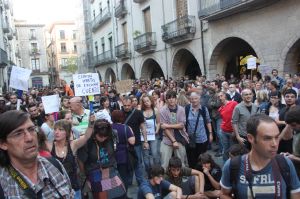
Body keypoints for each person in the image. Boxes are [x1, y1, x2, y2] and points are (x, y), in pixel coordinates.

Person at [220, 114, 300, 199]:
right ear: (251, 138)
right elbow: (224, 194)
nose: (275, 144)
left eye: (276, 137)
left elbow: (296, 195)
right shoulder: (233, 165)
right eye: (267, 138)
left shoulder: (285, 163)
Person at [0, 110, 74, 198]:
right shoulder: (3, 182)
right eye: (18, 134)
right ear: (3, 144)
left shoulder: (55, 165)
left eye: (31, 129)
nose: (29, 138)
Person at [77, 119, 126, 199]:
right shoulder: (87, 140)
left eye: (105, 136)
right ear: (94, 133)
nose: (103, 138)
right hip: (94, 171)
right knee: (101, 196)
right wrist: (84, 175)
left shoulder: (112, 135)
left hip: (111, 169)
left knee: (121, 193)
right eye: (100, 136)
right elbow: (81, 160)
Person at [49, 118, 94, 199]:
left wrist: (91, 123)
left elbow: (87, 136)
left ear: (67, 132)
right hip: (57, 191)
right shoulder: (49, 146)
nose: (56, 132)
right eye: (55, 129)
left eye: (60, 129)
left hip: (74, 188)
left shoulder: (73, 145)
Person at [122, 96, 148, 185]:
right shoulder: (119, 113)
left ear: (132, 104)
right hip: (123, 144)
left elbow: (143, 127)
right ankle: (128, 183)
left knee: (138, 163)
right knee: (126, 164)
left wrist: (145, 141)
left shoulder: (138, 113)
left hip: (136, 143)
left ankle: (140, 182)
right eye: (125, 105)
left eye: (128, 105)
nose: (126, 107)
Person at [160, 90, 189, 169]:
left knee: (181, 162)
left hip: (180, 137)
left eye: (173, 98)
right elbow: (164, 128)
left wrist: (168, 125)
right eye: (169, 98)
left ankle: (183, 177)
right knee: (164, 163)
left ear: (176, 99)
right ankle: (164, 179)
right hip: (167, 138)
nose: (171, 100)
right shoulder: (162, 110)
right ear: (166, 100)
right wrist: (173, 141)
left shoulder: (181, 109)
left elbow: (182, 125)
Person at [185, 91, 213, 169]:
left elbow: (208, 121)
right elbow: (183, 122)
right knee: (191, 157)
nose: (194, 100)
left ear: (199, 99)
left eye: (196, 98)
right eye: (192, 99)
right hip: (190, 139)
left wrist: (210, 133)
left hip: (202, 138)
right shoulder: (187, 108)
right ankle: (193, 172)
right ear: (190, 99)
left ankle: (201, 172)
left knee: (201, 157)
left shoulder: (204, 109)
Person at [141, 94, 161, 173]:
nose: (146, 103)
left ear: (151, 101)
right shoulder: (141, 111)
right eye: (144, 101)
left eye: (148, 101)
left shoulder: (155, 110)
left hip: (153, 135)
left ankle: (157, 171)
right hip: (144, 136)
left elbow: (159, 122)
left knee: (155, 154)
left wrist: (157, 130)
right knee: (145, 155)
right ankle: (149, 172)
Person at [218, 91, 238, 161]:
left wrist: (235, 131)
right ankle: (226, 165)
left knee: (232, 150)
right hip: (223, 131)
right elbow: (224, 119)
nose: (220, 98)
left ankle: (233, 164)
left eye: (221, 96)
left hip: (232, 131)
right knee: (225, 149)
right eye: (218, 97)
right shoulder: (220, 109)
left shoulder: (233, 103)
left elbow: (238, 116)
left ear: (225, 96)